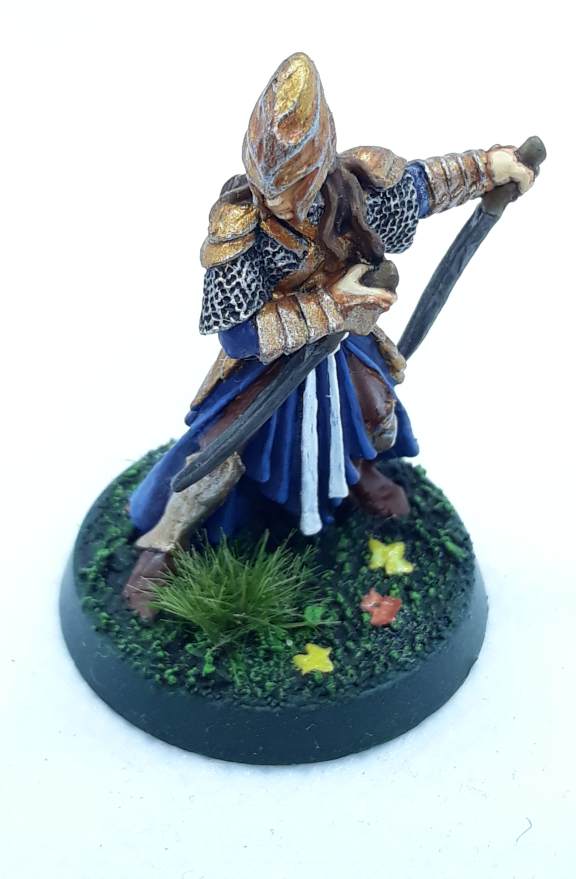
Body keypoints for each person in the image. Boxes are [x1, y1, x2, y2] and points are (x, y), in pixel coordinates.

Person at [124, 53, 534, 616]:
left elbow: (424, 186)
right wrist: (331, 304)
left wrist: (491, 167)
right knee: (217, 453)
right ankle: (163, 544)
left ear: (319, 164)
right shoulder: (240, 225)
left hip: (342, 349)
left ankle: (360, 473)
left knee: (376, 414)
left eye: (293, 183)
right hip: (269, 367)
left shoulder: (355, 190)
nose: (279, 200)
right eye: (270, 184)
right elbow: (238, 336)